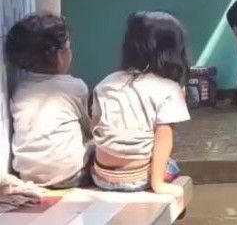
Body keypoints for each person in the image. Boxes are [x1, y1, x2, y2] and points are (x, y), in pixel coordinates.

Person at [91, 11, 190, 195]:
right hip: (137, 179)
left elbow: (96, 126)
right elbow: (164, 137)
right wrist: (158, 184)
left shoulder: (106, 82)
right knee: (173, 166)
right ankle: (159, 181)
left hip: (101, 176)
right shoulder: (169, 89)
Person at [5, 13, 92, 188]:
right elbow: (89, 130)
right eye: (68, 47)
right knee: (100, 145)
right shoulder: (75, 87)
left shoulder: (20, 89)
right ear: (60, 57)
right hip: (70, 174)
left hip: (27, 174)